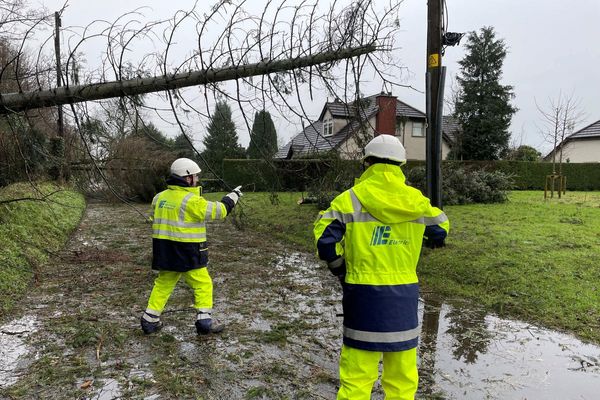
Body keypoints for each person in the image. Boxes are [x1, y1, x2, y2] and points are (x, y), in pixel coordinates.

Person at [313, 134, 449, 399]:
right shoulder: (416, 200)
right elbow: (440, 230)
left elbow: (324, 241)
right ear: (401, 165)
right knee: (401, 380)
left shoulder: (348, 199)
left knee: (356, 379)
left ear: (366, 163)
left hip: (362, 296)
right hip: (404, 297)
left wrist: (340, 268)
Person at [141, 157, 243, 335]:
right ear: (187, 178)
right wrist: (232, 197)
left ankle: (149, 320)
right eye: (195, 176)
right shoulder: (191, 201)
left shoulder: (158, 198)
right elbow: (219, 211)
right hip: (188, 253)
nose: (197, 179)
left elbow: (152, 218)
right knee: (203, 284)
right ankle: (204, 322)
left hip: (165, 253)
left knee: (163, 285)